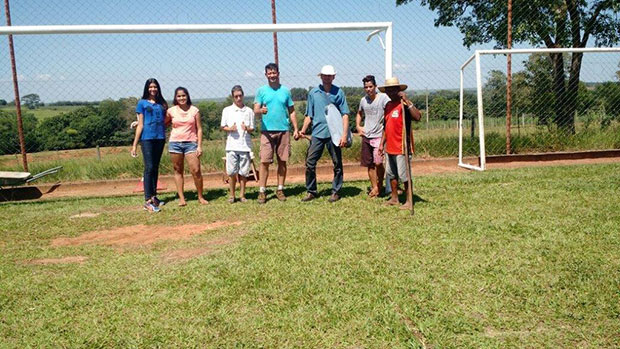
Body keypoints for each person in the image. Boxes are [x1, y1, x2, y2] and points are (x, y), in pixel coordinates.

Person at [300, 65, 350, 203]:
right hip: (317, 133)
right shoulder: (313, 93)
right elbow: (309, 115)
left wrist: (344, 135)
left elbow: (345, 115)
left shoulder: (339, 92)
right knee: (310, 163)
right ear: (320, 76)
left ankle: (336, 191)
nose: (327, 78)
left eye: (330, 75)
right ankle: (311, 191)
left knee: (337, 163)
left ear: (333, 77)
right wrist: (303, 130)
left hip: (335, 134)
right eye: (325, 75)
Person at [253, 63, 299, 204]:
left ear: (278, 73)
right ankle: (262, 191)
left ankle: (280, 189)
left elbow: (291, 111)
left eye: (274, 73)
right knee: (264, 161)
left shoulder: (285, 91)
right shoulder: (261, 91)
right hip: (266, 131)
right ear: (266, 75)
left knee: (282, 161)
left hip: (283, 130)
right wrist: (261, 111)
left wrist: (296, 128)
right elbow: (255, 110)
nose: (272, 75)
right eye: (269, 73)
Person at [378, 77, 422, 210]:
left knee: (404, 175)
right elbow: (386, 127)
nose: (391, 92)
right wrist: (381, 144)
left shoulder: (404, 105)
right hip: (389, 147)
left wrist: (408, 101)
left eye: (393, 90)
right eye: (388, 90)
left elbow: (418, 117)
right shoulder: (388, 106)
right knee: (391, 174)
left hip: (402, 146)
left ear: (398, 90)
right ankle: (394, 198)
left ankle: (409, 200)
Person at [165, 87, 208, 206]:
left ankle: (200, 196)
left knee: (196, 170)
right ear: (175, 98)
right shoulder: (171, 111)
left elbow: (199, 129)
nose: (181, 98)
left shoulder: (194, 110)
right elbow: (163, 123)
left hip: (191, 144)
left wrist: (199, 146)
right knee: (178, 170)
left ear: (187, 96)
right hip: (175, 143)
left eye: (183, 95)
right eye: (179, 96)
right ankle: (182, 198)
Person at [131, 78, 168, 213]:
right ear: (147, 88)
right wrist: (135, 145)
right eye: (151, 87)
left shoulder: (162, 104)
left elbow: (165, 120)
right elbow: (140, 124)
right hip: (147, 138)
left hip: (160, 138)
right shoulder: (142, 103)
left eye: (155, 87)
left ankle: (154, 196)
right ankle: (147, 200)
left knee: (156, 167)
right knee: (149, 167)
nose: (153, 89)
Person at [356, 75, 390, 198]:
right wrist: (358, 126)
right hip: (367, 136)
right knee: (369, 164)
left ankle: (380, 184)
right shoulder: (363, 100)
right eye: (366, 87)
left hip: (379, 136)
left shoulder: (383, 98)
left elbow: (390, 111)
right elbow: (359, 113)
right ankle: (374, 187)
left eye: (371, 86)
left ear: (375, 86)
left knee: (378, 163)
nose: (368, 89)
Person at [221, 85, 255, 203]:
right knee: (231, 172)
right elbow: (222, 126)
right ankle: (232, 195)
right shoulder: (227, 110)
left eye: (240, 96)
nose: (239, 98)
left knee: (244, 172)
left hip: (245, 145)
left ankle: (242, 195)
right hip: (231, 146)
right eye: (236, 96)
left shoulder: (249, 111)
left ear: (243, 96)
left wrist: (247, 128)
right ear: (232, 97)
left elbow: (252, 128)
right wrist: (230, 128)